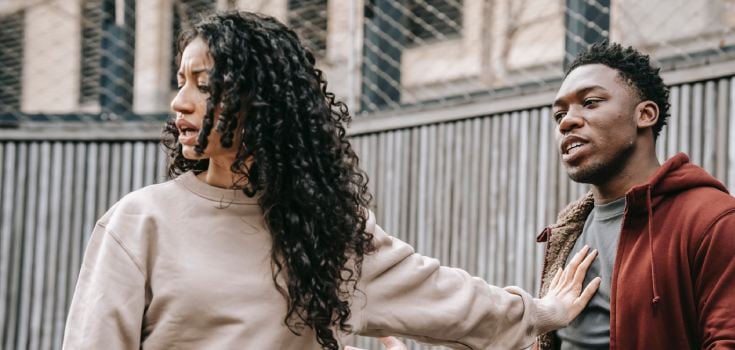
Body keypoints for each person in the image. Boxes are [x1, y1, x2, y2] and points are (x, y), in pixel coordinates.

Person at [62, 11, 601, 350]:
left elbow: (444, 296)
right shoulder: (139, 222)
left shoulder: (325, 231)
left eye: (203, 85)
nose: (179, 102)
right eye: (180, 82)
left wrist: (542, 313)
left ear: (264, 103)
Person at [535, 41, 735, 349]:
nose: (567, 121)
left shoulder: (717, 222)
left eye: (590, 102)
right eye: (559, 114)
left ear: (644, 114)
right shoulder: (568, 233)